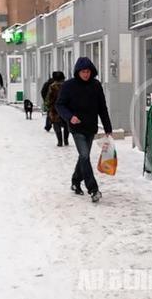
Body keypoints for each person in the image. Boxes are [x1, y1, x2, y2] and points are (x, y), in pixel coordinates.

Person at [56, 57, 112, 203]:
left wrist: (108, 127)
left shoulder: (96, 85)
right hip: (76, 128)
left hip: (90, 127)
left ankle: (75, 181)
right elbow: (60, 105)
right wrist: (70, 117)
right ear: (78, 72)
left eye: (88, 71)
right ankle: (93, 189)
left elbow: (102, 108)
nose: (86, 74)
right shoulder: (69, 86)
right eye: (83, 72)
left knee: (83, 157)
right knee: (85, 155)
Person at [45, 71, 68, 147]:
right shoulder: (66, 85)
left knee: (56, 124)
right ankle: (66, 140)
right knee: (66, 125)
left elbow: (49, 98)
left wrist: (48, 106)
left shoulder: (52, 86)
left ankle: (60, 141)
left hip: (55, 109)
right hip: (66, 108)